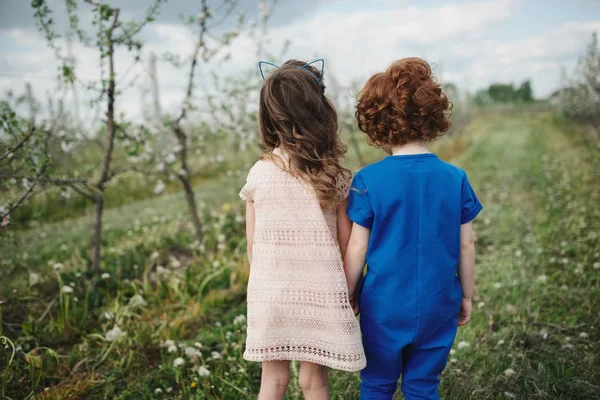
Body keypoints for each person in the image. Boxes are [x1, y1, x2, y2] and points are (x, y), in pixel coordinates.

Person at [343, 57, 482, 400]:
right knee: (423, 386)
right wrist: (465, 295)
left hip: (383, 306)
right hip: (439, 301)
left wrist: (346, 294)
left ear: (377, 123)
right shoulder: (455, 178)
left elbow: (357, 248)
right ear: (432, 116)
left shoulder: (368, 180)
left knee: (377, 383)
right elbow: (466, 246)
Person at [240, 59, 366, 400]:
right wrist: (349, 291)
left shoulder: (259, 174)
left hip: (271, 293)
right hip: (319, 293)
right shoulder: (333, 176)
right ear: (320, 112)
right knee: (314, 383)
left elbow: (253, 245)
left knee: (273, 381)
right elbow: (346, 243)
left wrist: (265, 285)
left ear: (269, 116)